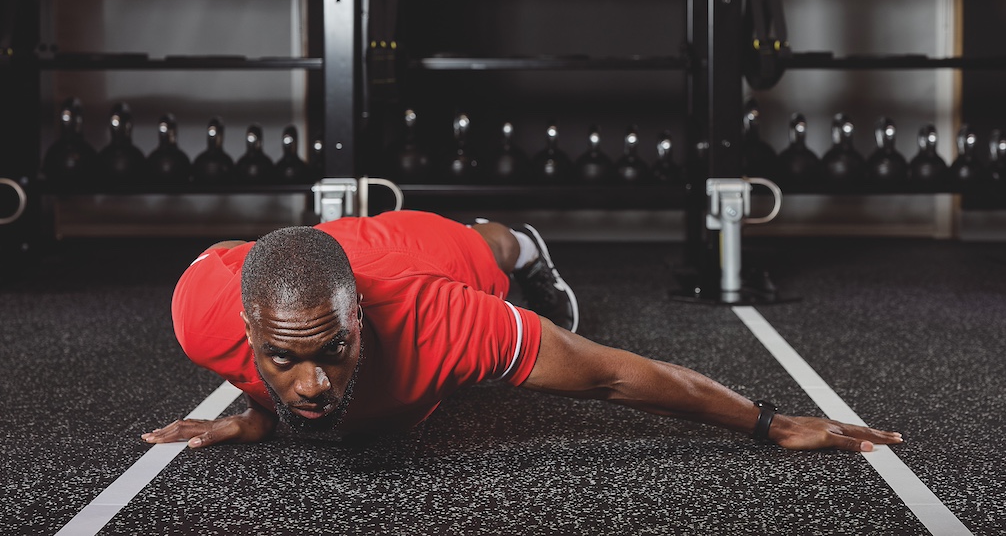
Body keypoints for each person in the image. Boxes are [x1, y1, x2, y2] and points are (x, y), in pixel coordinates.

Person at [143, 211, 901, 452]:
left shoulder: (445, 320)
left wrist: (771, 421)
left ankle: (528, 241)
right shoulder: (200, 313)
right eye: (283, 357)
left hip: (411, 253)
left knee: (486, 248)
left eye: (333, 350)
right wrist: (257, 413)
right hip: (316, 254)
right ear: (247, 329)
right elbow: (242, 278)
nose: (312, 384)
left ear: (359, 320)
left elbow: (609, 373)